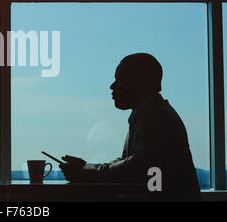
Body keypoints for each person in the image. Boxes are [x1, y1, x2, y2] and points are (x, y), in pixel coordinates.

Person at [60, 53, 201, 201]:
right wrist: (87, 168)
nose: (112, 86)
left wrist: (85, 171)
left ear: (139, 83)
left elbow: (135, 168)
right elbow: (130, 162)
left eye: (119, 80)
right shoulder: (151, 114)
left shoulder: (157, 117)